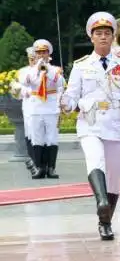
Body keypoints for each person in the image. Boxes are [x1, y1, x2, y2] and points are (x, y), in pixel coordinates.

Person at [61, 12, 120, 240]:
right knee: (94, 160)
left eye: (107, 33)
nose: (103, 37)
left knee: (114, 177)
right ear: (92, 38)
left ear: (113, 37)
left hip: (116, 123)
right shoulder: (81, 66)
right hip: (90, 123)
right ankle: (101, 201)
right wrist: (66, 102)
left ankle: (105, 221)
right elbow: (71, 95)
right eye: (99, 34)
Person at [23, 39, 65, 179]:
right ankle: (39, 167)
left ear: (49, 53)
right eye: (39, 52)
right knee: (37, 139)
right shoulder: (31, 70)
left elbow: (60, 83)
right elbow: (26, 81)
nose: (41, 55)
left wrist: (48, 70)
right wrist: (37, 68)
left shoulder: (55, 70)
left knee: (51, 139)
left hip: (51, 108)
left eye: (44, 52)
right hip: (36, 108)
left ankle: (51, 168)